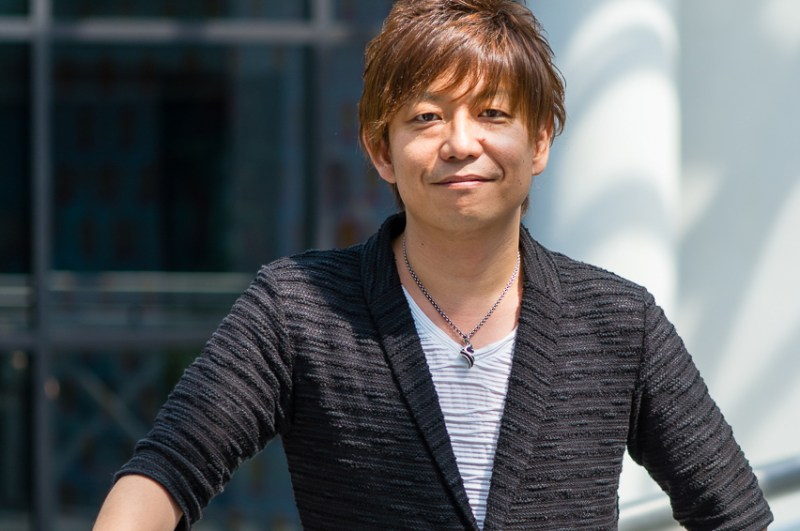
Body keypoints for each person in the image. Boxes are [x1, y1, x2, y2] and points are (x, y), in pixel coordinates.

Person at [94, 0, 773, 529]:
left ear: (539, 141)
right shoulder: (298, 308)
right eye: (426, 117)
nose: (460, 143)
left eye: (493, 112)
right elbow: (165, 472)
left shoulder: (620, 322)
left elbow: (732, 511)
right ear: (381, 151)